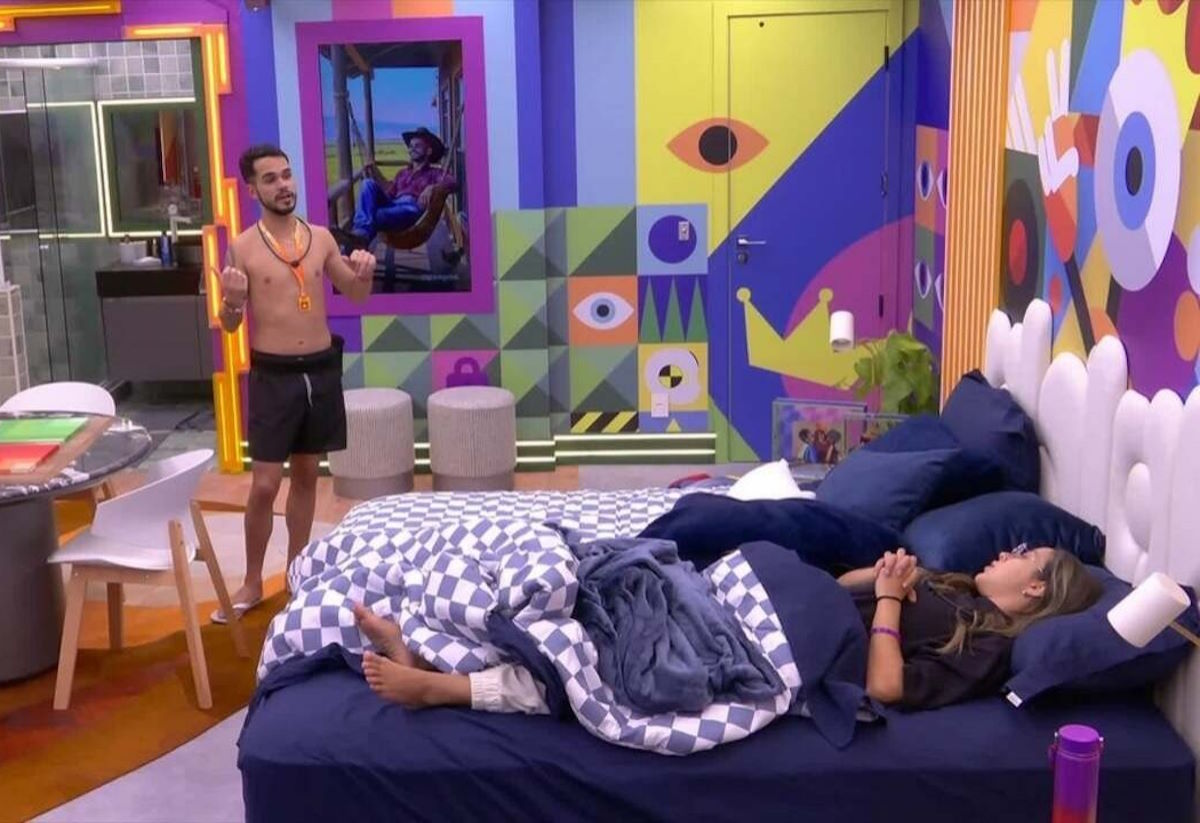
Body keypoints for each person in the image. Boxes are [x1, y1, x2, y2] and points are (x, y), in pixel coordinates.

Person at [351, 543, 1102, 714]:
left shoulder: (991, 645)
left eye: (1022, 553)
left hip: (769, 642)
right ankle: (430, 650)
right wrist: (879, 578)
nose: (1004, 552)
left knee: (598, 657)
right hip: (757, 592)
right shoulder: (951, 584)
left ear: (1036, 588)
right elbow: (842, 587)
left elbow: (886, 688)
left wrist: (890, 603)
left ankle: (442, 687)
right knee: (591, 583)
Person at [212, 144, 376, 623]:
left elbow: (356, 294)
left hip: (320, 370)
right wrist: (232, 301)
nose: (283, 185)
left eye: (287, 175)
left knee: (306, 477)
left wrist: (365, 273)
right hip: (274, 375)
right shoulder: (243, 247)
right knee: (265, 485)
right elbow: (229, 325)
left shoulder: (320, 238)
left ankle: (296, 575)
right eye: (270, 179)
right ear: (253, 190)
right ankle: (250, 582)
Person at [335, 126, 457, 252]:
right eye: (410, 146)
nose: (412, 149)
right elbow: (389, 192)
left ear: (429, 151)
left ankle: (358, 240)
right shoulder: (402, 173)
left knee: (374, 215)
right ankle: (360, 237)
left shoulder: (434, 173)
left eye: (417, 146)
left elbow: (452, 182)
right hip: (393, 204)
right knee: (367, 183)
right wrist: (375, 174)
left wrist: (433, 187)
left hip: (411, 209)